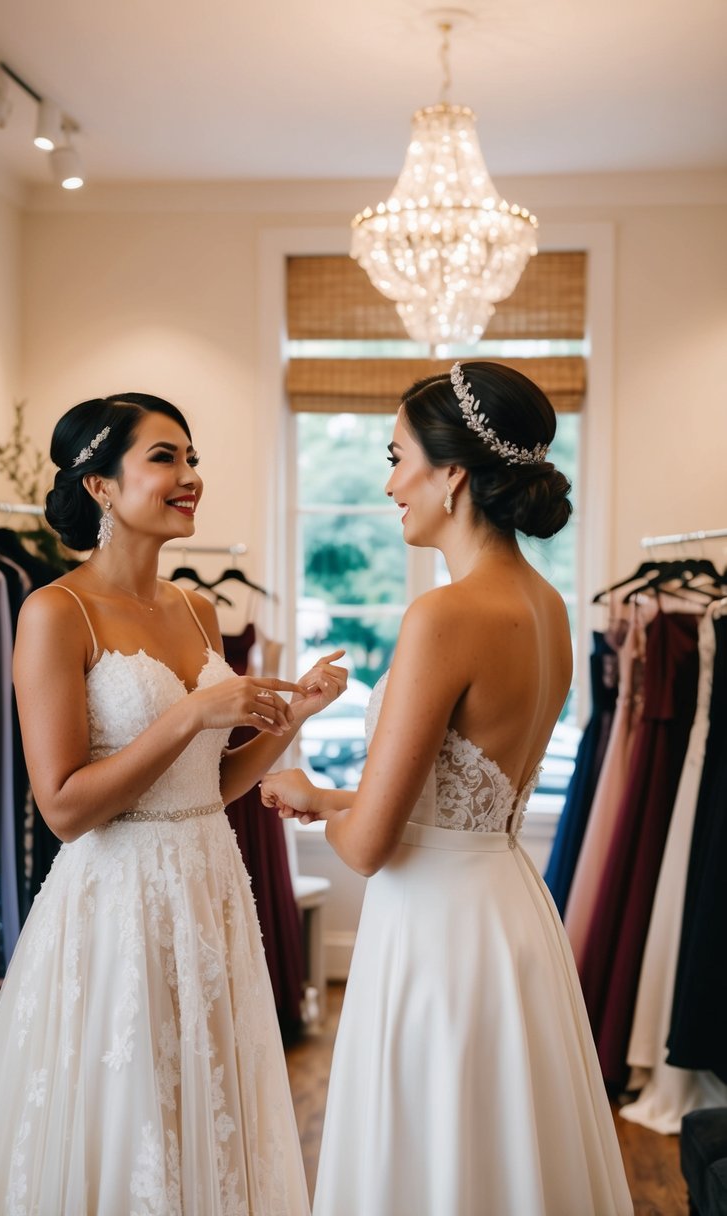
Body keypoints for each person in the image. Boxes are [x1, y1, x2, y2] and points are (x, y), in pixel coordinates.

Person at [0, 391, 346, 1216]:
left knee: (203, 1114)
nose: (191, 477)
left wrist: (292, 718)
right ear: (101, 486)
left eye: (191, 459)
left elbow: (209, 789)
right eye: (166, 458)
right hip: (116, 902)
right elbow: (66, 809)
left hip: (210, 889)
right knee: (126, 1121)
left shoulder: (196, 607)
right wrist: (190, 712)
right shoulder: (53, 612)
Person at [262, 362, 634, 1216]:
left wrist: (315, 792)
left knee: (435, 1157)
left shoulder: (443, 616)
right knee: (502, 1155)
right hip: (504, 911)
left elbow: (370, 847)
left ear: (452, 473)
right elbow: (459, 806)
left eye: (397, 458)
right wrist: (324, 797)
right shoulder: (546, 607)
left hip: (434, 934)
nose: (390, 483)